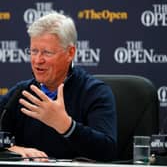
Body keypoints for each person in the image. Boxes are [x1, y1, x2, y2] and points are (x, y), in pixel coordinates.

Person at [0, 12, 117, 162]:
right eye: (34, 51)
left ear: (70, 53)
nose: (37, 60)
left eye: (47, 53)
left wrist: (66, 126)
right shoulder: (21, 93)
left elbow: (107, 152)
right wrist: (12, 149)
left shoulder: (95, 93)